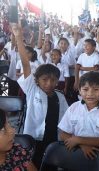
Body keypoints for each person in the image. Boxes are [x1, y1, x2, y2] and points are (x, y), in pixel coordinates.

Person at [12, 24, 69, 168]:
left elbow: (66, 120)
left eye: (53, 80)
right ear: (37, 80)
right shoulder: (32, 90)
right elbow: (26, 64)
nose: (49, 83)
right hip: (33, 138)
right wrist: (18, 37)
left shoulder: (60, 97)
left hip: (53, 138)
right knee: (33, 164)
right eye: (44, 79)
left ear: (58, 81)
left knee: (51, 165)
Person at [58, 71, 99, 159]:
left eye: (96, 89)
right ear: (79, 90)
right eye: (85, 89)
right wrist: (81, 145)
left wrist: (78, 139)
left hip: (97, 155)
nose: (90, 94)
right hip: (74, 152)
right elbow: (63, 134)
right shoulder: (74, 107)